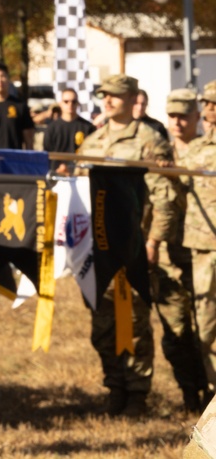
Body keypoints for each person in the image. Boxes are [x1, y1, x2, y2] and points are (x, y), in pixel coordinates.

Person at [76, 74, 176, 416]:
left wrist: (153, 241)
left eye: (115, 96)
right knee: (102, 322)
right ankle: (114, 386)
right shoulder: (92, 142)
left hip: (133, 247)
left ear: (132, 98)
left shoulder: (149, 140)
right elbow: (77, 193)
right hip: (98, 248)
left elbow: (163, 197)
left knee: (134, 322)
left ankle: (137, 393)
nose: (108, 100)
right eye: (104, 95)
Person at [152, 88, 209, 412]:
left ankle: (209, 394)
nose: (176, 122)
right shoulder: (160, 152)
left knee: (207, 330)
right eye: (171, 116)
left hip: (201, 254)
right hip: (167, 256)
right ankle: (189, 391)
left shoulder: (206, 153)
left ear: (197, 118)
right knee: (176, 330)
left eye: (183, 116)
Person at [184, 81, 216, 395]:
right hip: (204, 247)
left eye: (214, 104)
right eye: (207, 104)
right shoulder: (195, 150)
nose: (210, 109)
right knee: (205, 321)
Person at [41, 88, 96, 174]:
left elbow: (92, 153)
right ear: (60, 104)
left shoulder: (88, 127)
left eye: (73, 101)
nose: (70, 104)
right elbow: (47, 154)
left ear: (78, 103)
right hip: (56, 174)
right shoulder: (51, 128)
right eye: (66, 101)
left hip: (80, 174)